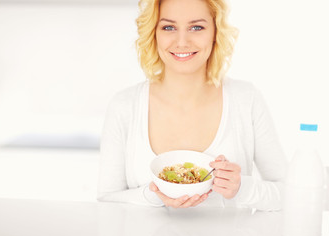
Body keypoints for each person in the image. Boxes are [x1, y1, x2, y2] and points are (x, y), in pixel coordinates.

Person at [97, 0, 288, 211]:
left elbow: (290, 193)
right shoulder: (124, 106)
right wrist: (155, 194)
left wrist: (242, 188)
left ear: (216, 31)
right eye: (168, 27)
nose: (182, 41)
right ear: (153, 32)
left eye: (197, 27)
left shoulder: (246, 100)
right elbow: (107, 202)